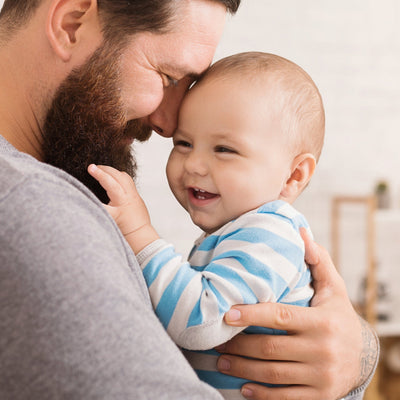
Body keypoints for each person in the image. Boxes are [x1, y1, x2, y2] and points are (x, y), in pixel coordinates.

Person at [0, 1, 378, 399]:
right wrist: (359, 359)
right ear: (71, 24)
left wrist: (353, 354)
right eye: (167, 77)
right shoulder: (29, 204)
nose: (168, 123)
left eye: (225, 149)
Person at [88, 51, 325, 399]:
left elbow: (201, 320)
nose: (195, 164)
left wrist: (140, 234)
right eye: (183, 144)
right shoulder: (238, 231)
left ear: (293, 176)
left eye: (225, 149)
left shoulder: (271, 234)